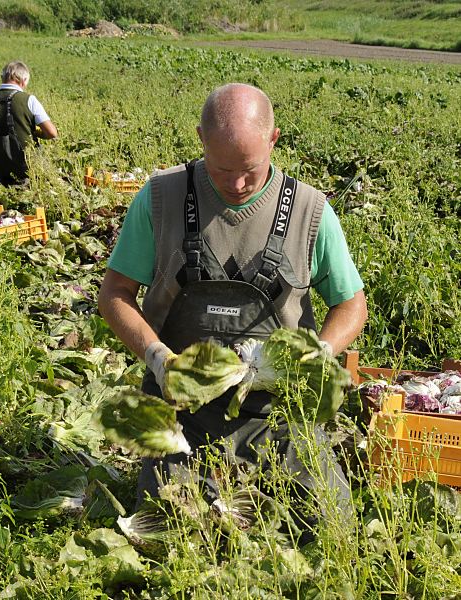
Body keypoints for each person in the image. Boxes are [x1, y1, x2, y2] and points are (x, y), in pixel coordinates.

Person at [98, 83, 368, 519]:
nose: (238, 184)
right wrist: (156, 358)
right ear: (201, 139)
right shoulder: (160, 197)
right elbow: (114, 293)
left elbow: (352, 304)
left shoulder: (309, 209)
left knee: (330, 523)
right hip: (180, 407)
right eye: (222, 171)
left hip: (278, 409)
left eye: (250, 169)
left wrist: (317, 354)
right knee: (169, 524)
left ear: (274, 139)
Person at [0, 60, 57, 186]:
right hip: (26, 168)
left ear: (3, 78)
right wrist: (35, 131)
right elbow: (52, 133)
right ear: (24, 80)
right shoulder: (29, 100)